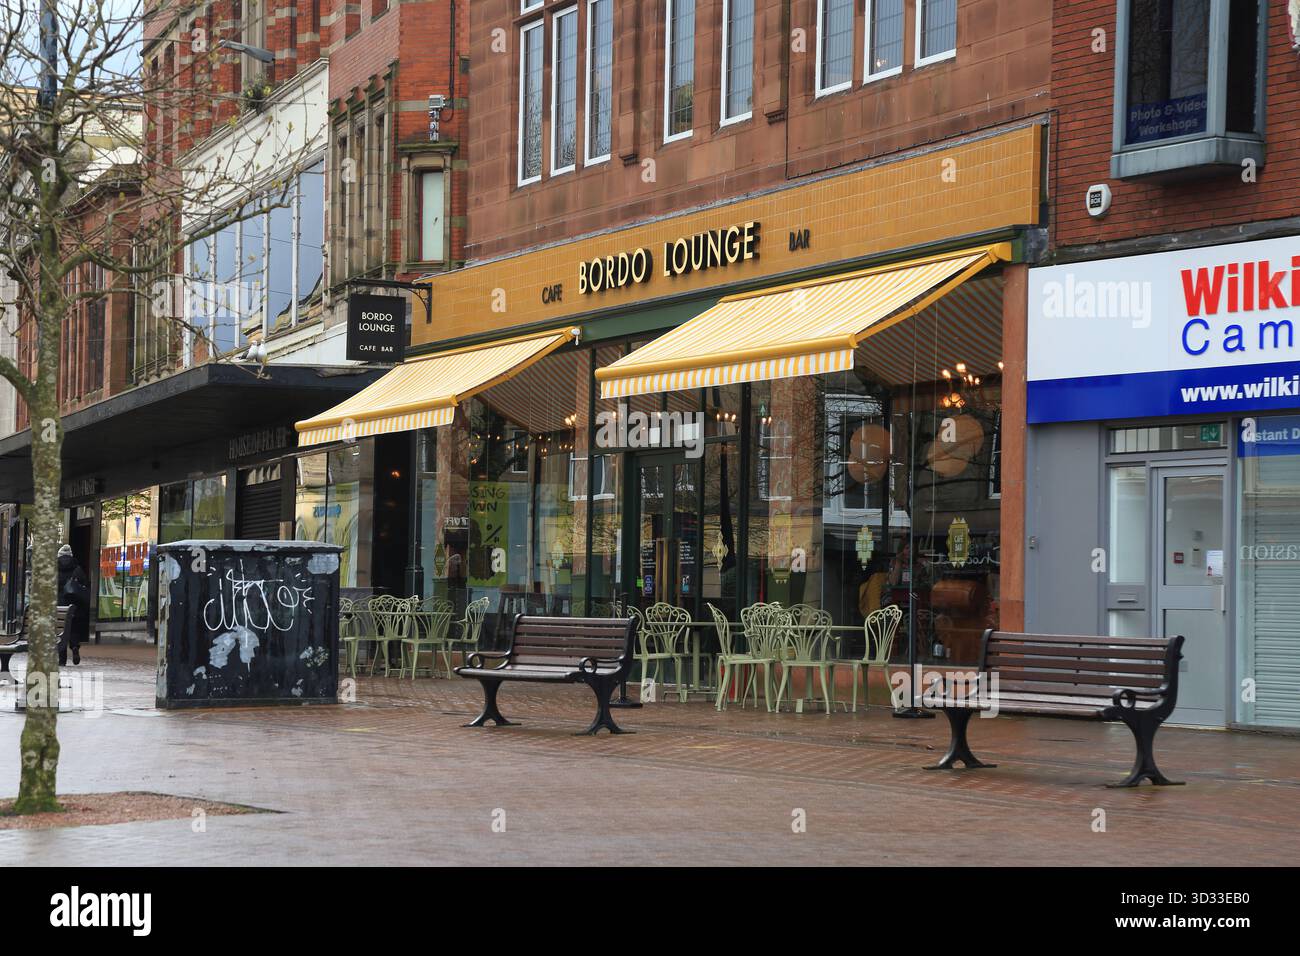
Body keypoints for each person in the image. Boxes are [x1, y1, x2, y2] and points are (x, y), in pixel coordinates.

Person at [57, 544, 90, 666]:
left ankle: (62, 659)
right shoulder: (77, 568)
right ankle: (75, 646)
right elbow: (84, 585)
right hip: (74, 605)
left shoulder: (55, 568)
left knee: (60, 631)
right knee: (73, 628)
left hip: (59, 604)